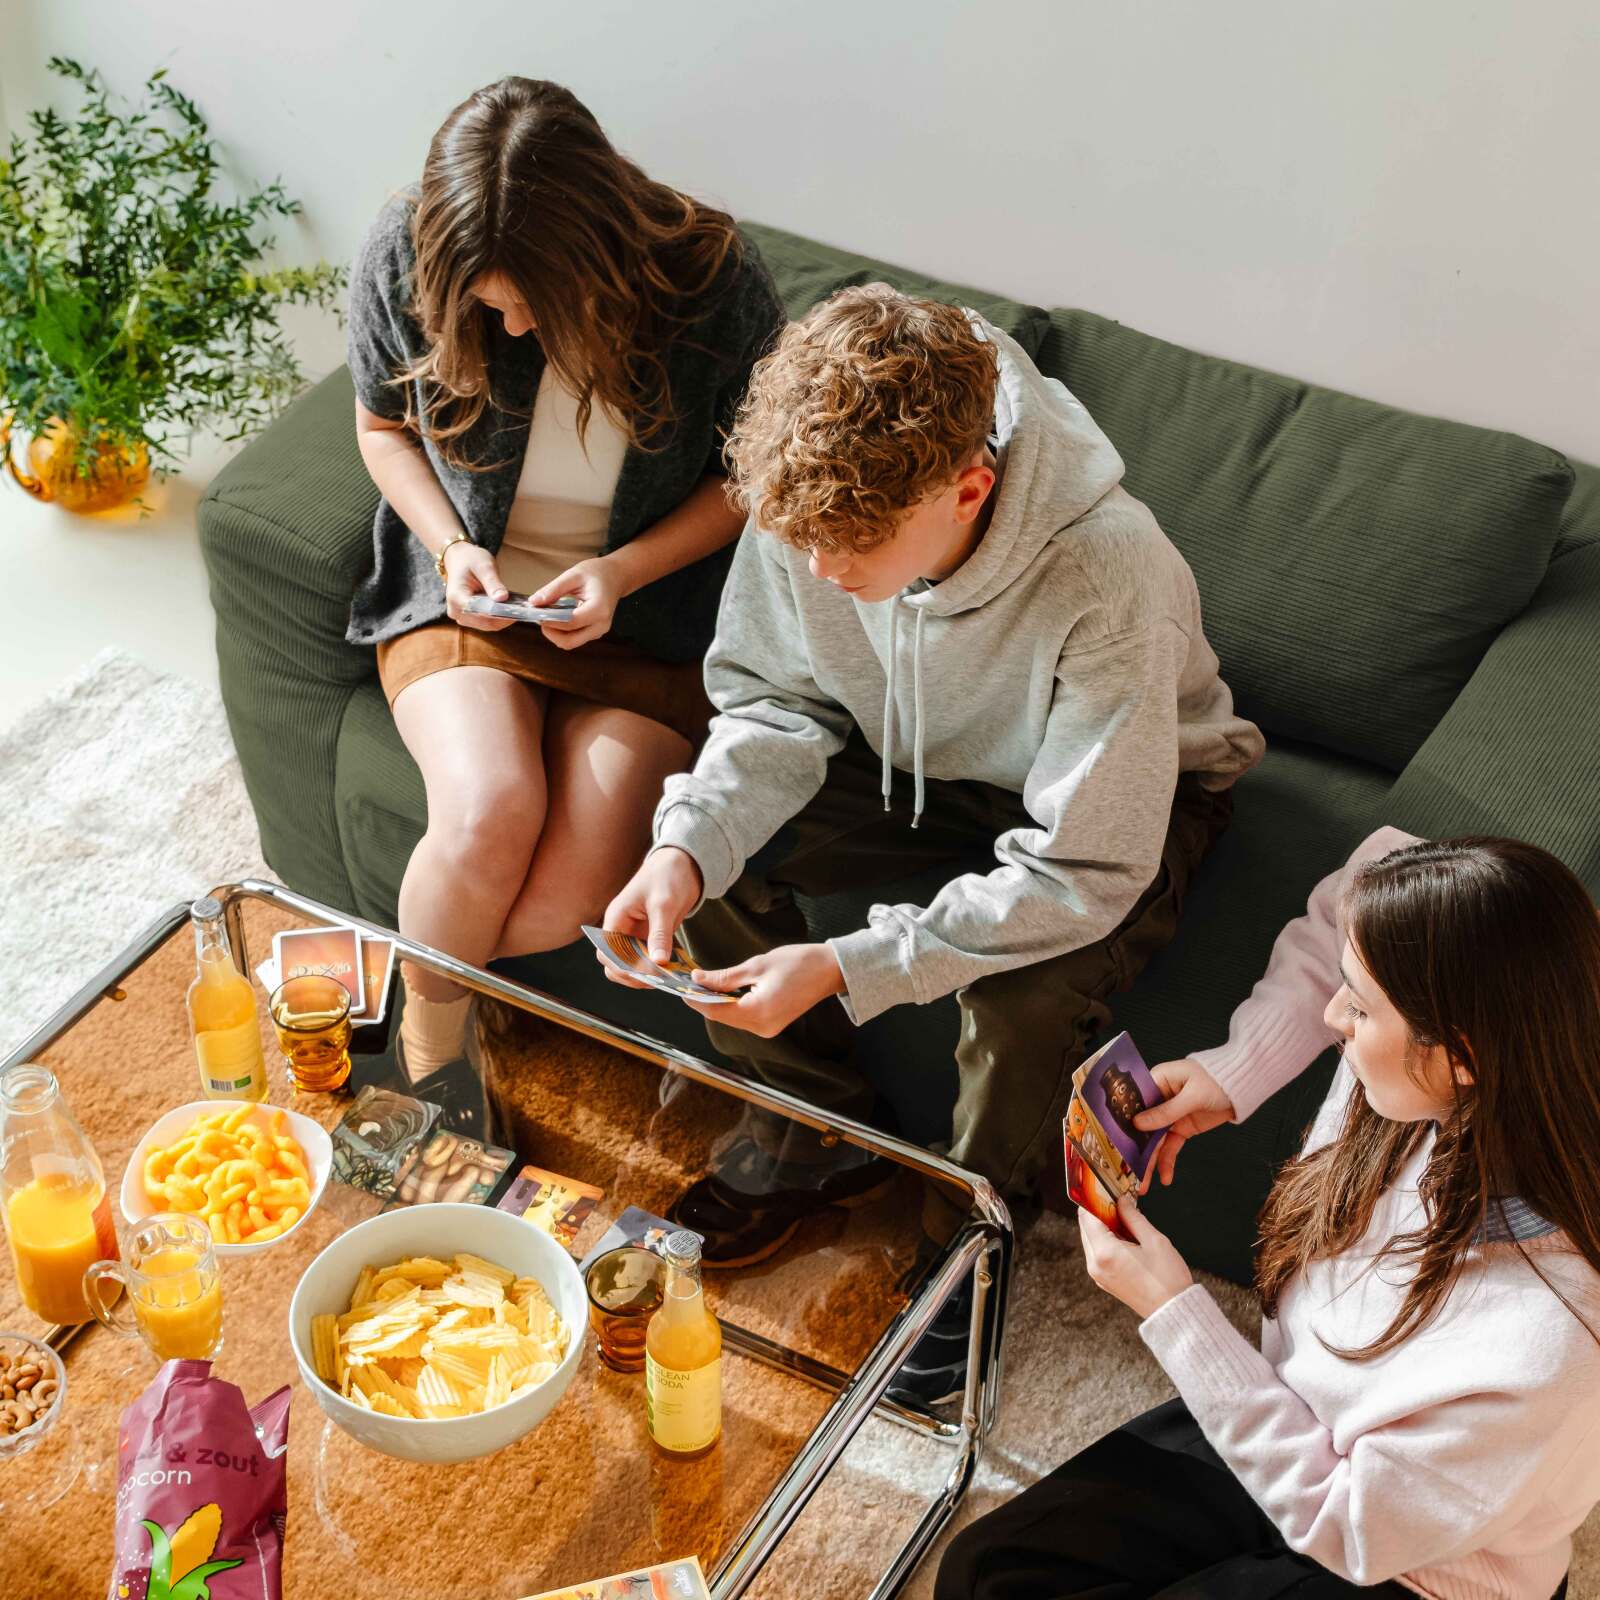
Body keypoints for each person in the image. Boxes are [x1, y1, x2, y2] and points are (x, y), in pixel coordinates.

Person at [601, 283, 1264, 1400]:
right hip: (914, 754)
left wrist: (849, 965)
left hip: (1127, 795)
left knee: (1019, 1006)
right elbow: (771, 702)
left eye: (847, 547)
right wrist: (686, 844)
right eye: (794, 539)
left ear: (970, 490)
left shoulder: (1113, 574)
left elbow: (1081, 867)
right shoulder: (807, 503)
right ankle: (824, 1134)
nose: (816, 573)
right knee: (703, 860)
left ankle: (968, 1242)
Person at [937, 828, 1600, 1600]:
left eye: (1359, 1005)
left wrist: (1175, 1311)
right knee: (986, 1576)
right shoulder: (1462, 1038)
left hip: (1406, 1563)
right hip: (1295, 1415)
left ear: (1461, 1055)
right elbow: (1361, 889)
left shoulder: (1549, 1336)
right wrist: (1234, 1068)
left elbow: (1354, 1530)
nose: (1332, 1015)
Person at [344, 76, 782, 1076]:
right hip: (465, 597)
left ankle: (392, 991)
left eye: (524, 297)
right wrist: (452, 546)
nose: (506, 328)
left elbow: (752, 478)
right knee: (489, 810)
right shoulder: (403, 248)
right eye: (481, 303)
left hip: (644, 618)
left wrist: (622, 572)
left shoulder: (714, 286)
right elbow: (381, 427)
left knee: (571, 892)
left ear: (593, 252)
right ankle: (426, 1079)